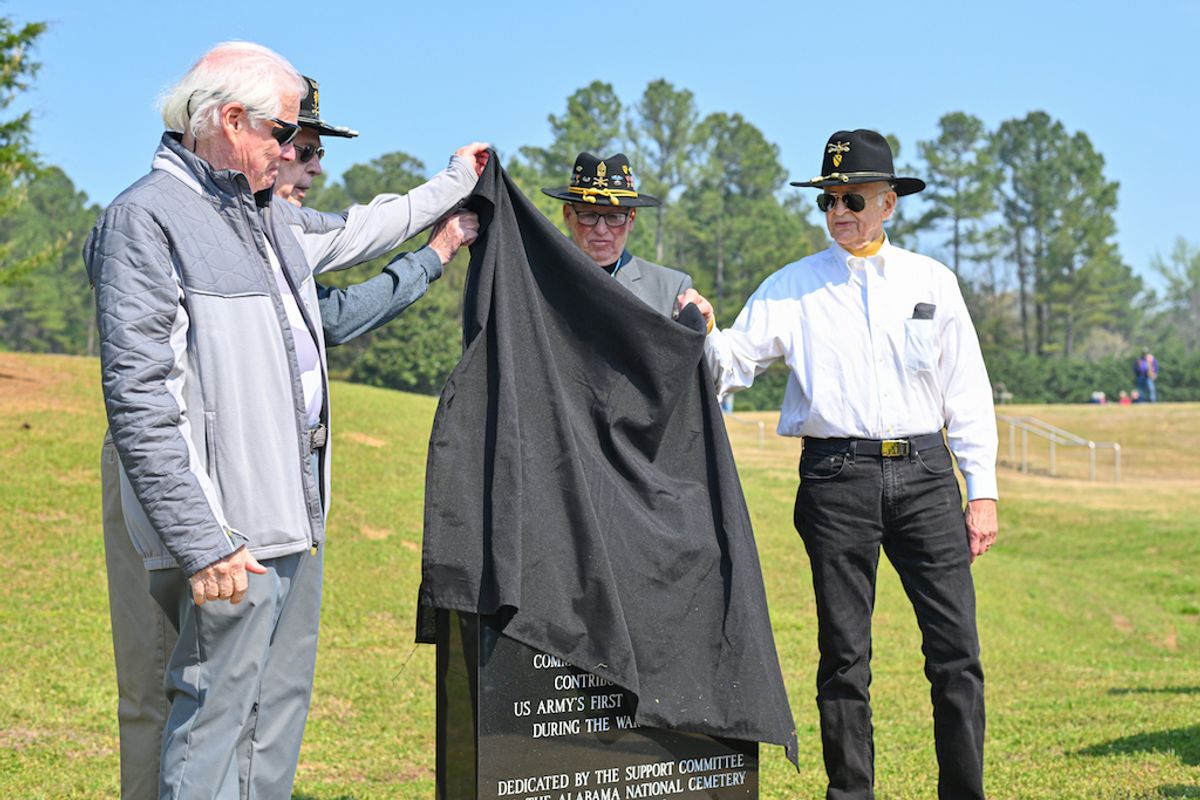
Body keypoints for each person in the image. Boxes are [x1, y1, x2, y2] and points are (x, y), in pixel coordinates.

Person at [88, 43, 483, 799]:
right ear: (229, 119)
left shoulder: (268, 218)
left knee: (275, 718)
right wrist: (206, 544)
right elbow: (142, 400)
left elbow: (371, 227)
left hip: (291, 518)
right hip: (225, 536)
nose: (295, 155)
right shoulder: (146, 220)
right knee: (209, 725)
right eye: (284, 135)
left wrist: (455, 181)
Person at [677, 129, 999, 800]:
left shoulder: (932, 282)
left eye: (853, 198)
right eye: (828, 201)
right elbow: (730, 366)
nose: (839, 213)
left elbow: (967, 391)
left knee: (956, 656)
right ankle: (850, 795)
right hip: (836, 479)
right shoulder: (791, 288)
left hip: (927, 475)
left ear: (889, 204)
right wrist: (704, 329)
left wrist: (983, 491)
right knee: (844, 658)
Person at [542, 152, 691, 317]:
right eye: (589, 215)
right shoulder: (539, 283)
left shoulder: (671, 291)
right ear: (568, 215)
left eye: (614, 217)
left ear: (631, 219)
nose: (601, 229)